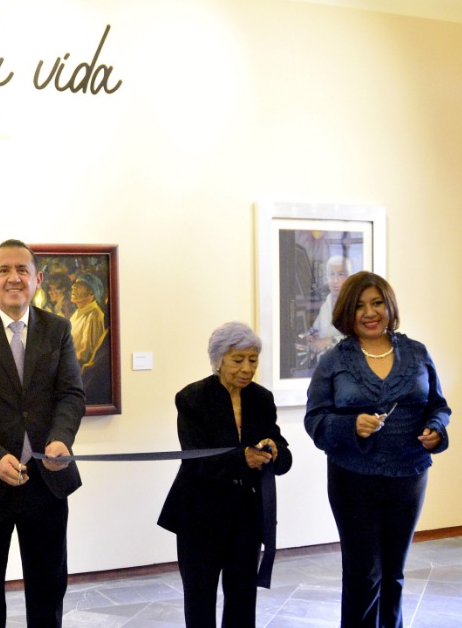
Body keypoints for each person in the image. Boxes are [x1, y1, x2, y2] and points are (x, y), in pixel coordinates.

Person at [0, 239, 86, 628]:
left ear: (37, 279)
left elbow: (71, 394)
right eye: (4, 270)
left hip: (47, 481)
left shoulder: (58, 329)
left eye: (22, 270)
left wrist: (61, 438)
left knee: (48, 588)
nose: (13, 278)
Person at [305, 271, 450, 628]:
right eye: (359, 306)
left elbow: (438, 406)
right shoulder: (333, 361)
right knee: (362, 573)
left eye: (377, 302)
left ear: (389, 305)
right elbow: (315, 420)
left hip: (409, 475)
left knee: (394, 572)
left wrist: (436, 430)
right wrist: (350, 425)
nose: (370, 313)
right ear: (346, 313)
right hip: (353, 478)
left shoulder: (417, 353)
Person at [158, 321, 292, 628]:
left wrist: (275, 450)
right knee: (200, 598)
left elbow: (282, 455)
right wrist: (242, 458)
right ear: (219, 361)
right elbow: (196, 460)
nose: (247, 368)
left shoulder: (261, 398)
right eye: (238, 360)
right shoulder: (192, 398)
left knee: (243, 599)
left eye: (253, 360)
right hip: (199, 516)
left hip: (246, 517)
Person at [308, 255, 352, 356]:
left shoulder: (355, 306)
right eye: (331, 274)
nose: (335, 280)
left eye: (340, 274)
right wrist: (312, 337)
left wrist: (328, 341)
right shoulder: (325, 305)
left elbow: (359, 340)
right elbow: (315, 330)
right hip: (325, 365)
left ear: (349, 278)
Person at [69, 272, 105, 365]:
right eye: (75, 284)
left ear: (91, 292)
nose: (74, 287)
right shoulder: (78, 312)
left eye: (79, 285)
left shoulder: (94, 314)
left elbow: (86, 355)